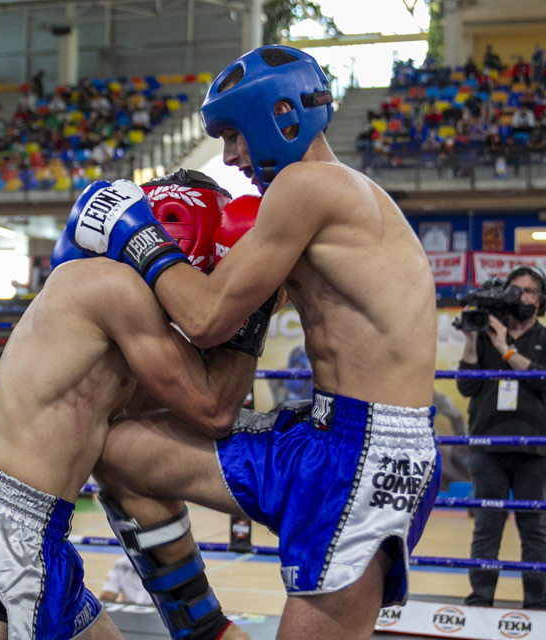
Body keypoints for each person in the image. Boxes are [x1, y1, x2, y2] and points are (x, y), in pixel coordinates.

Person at [58, 45, 441, 640]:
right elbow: (227, 319)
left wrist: (134, 232)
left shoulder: (309, 187)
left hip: (368, 457)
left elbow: (207, 317)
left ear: (280, 115)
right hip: (320, 435)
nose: (229, 155)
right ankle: (205, 630)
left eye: (234, 135)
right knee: (122, 452)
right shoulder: (321, 202)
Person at [0, 171, 260, 640]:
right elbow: (213, 409)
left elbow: (154, 440)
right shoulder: (110, 287)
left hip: (47, 541)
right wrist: (255, 300)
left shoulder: (129, 327)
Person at [456, 264, 546, 610]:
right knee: (486, 528)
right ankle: (480, 599)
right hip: (486, 446)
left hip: (534, 449)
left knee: (533, 529)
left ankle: (538, 603)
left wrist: (506, 350)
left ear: (540, 300)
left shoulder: (541, 338)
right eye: (516, 290)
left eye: (530, 290)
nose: (522, 297)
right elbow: (466, 386)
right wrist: (471, 339)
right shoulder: (486, 331)